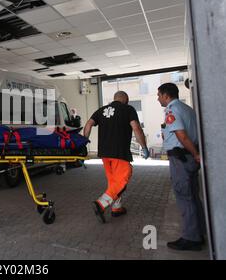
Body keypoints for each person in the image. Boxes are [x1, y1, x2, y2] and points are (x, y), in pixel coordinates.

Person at [83, 91, 149, 223]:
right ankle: (101, 204)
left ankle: (117, 208)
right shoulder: (128, 109)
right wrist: (144, 147)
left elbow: (89, 124)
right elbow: (136, 128)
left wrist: (84, 142)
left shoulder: (101, 110)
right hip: (119, 152)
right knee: (123, 178)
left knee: (113, 181)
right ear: (126, 99)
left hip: (104, 153)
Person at [157, 83, 206, 251]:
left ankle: (191, 238)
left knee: (184, 197)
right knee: (193, 195)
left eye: (159, 95)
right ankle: (200, 232)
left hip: (181, 158)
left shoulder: (171, 110)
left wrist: (195, 154)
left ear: (166, 95)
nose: (158, 99)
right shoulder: (187, 109)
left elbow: (181, 135)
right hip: (189, 158)